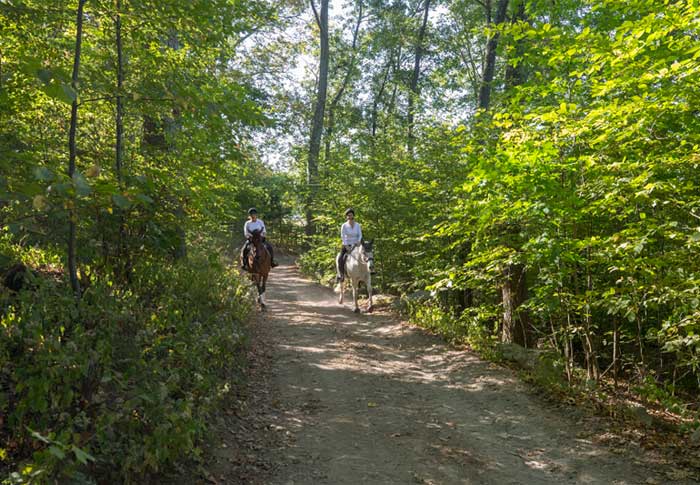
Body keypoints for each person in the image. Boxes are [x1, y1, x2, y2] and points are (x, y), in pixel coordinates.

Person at [337, 208, 362, 282]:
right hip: (347, 244)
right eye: (348, 215)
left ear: (353, 215)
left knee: (366, 254)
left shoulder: (357, 225)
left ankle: (369, 271)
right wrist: (346, 245)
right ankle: (341, 275)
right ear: (346, 217)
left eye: (350, 215)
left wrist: (358, 241)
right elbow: (342, 236)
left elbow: (360, 235)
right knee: (340, 258)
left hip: (356, 244)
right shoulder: (344, 225)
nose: (349, 217)